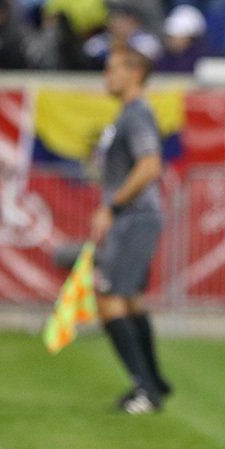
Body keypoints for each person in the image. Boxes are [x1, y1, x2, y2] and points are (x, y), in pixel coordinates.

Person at [90, 44, 171, 414]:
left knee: (110, 298)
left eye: (113, 69)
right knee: (132, 299)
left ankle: (145, 390)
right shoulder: (127, 113)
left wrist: (113, 206)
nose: (107, 76)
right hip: (136, 216)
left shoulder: (137, 113)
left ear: (135, 73)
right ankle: (153, 381)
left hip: (134, 217)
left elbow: (150, 166)